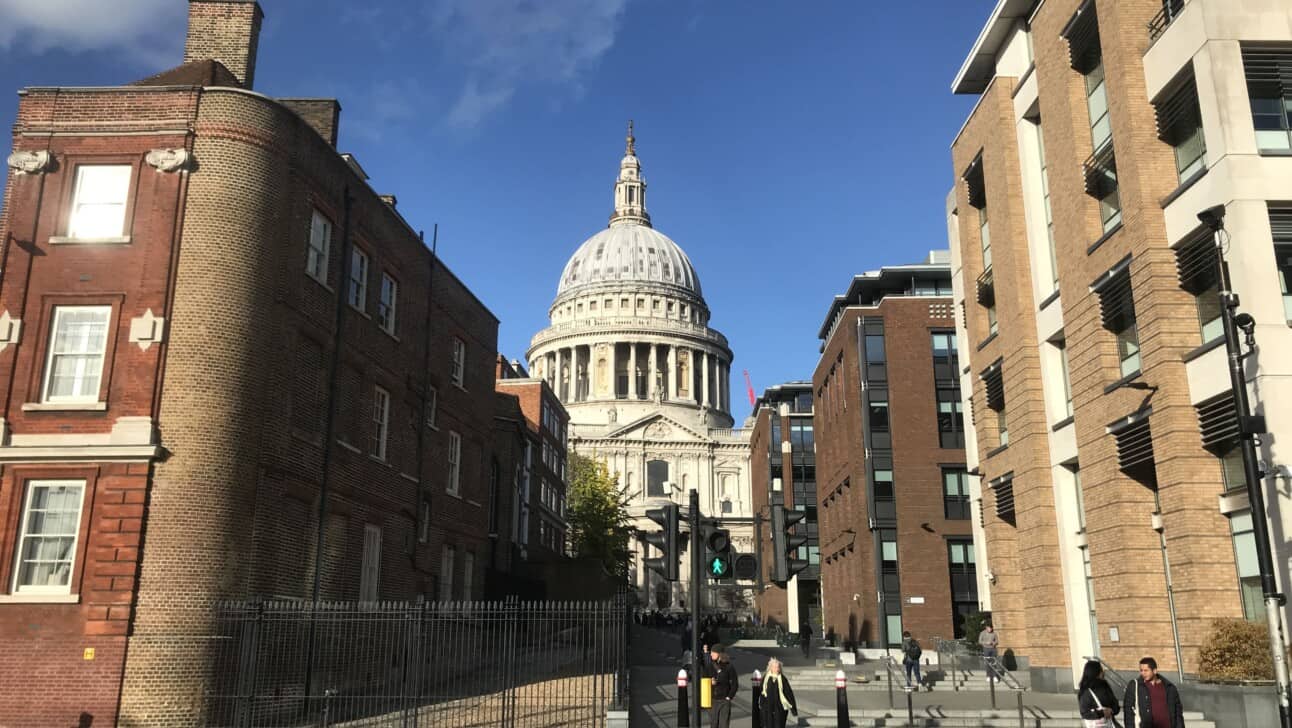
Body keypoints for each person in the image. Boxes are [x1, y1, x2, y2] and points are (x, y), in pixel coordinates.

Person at [1123, 656, 1184, 728]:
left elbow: (1178, 712)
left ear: (1154, 671)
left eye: (1146, 670)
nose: (1143, 673)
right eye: (1141, 670)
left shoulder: (1169, 687)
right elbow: (1128, 711)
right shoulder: (1134, 685)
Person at [1077, 660, 1120, 728]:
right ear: (1096, 672)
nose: (1103, 672)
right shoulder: (1086, 692)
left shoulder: (1104, 686)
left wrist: (1111, 711)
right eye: (1101, 670)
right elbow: (1085, 713)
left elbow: (1115, 704)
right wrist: (1103, 713)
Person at [759, 657, 799, 728]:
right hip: (768, 708)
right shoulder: (765, 678)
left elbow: (789, 694)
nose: (777, 669)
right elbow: (761, 692)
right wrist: (761, 705)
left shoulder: (783, 679)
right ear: (770, 668)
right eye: (775, 667)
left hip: (780, 708)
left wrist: (793, 709)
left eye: (778, 667)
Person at [709, 645, 738, 728]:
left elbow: (735, 683)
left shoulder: (729, 667)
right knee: (714, 724)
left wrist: (729, 697)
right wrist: (710, 682)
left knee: (724, 725)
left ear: (719, 654)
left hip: (724, 700)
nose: (711, 654)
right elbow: (704, 678)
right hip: (713, 700)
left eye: (713, 652)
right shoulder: (710, 666)